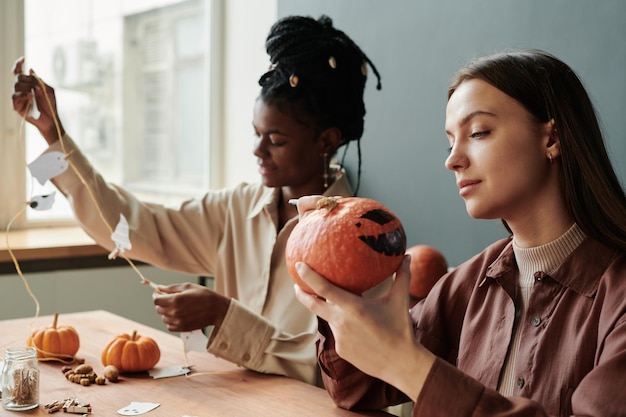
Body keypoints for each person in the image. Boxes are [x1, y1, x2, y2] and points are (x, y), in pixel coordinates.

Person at [11, 14, 381, 385]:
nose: (257, 150)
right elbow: (134, 227)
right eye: (256, 133)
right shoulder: (236, 210)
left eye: (276, 140)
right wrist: (54, 134)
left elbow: (344, 374)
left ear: (327, 141)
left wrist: (224, 315)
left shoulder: (362, 242)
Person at [293, 49, 626, 416]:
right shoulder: (469, 283)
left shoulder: (617, 294)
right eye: (450, 140)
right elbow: (356, 388)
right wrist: (337, 268)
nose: (452, 159)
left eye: (478, 132)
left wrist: (409, 366)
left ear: (551, 139)